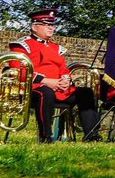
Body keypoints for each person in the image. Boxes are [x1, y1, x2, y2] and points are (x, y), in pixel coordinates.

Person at [9, 8, 100, 142]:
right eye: (47, 25)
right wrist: (46, 81)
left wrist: (65, 80)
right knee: (45, 93)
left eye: (52, 25)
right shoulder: (22, 45)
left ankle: (91, 135)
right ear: (35, 27)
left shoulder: (55, 47)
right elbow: (18, 71)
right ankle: (45, 136)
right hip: (33, 89)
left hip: (58, 89)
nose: (51, 28)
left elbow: (63, 69)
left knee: (86, 93)